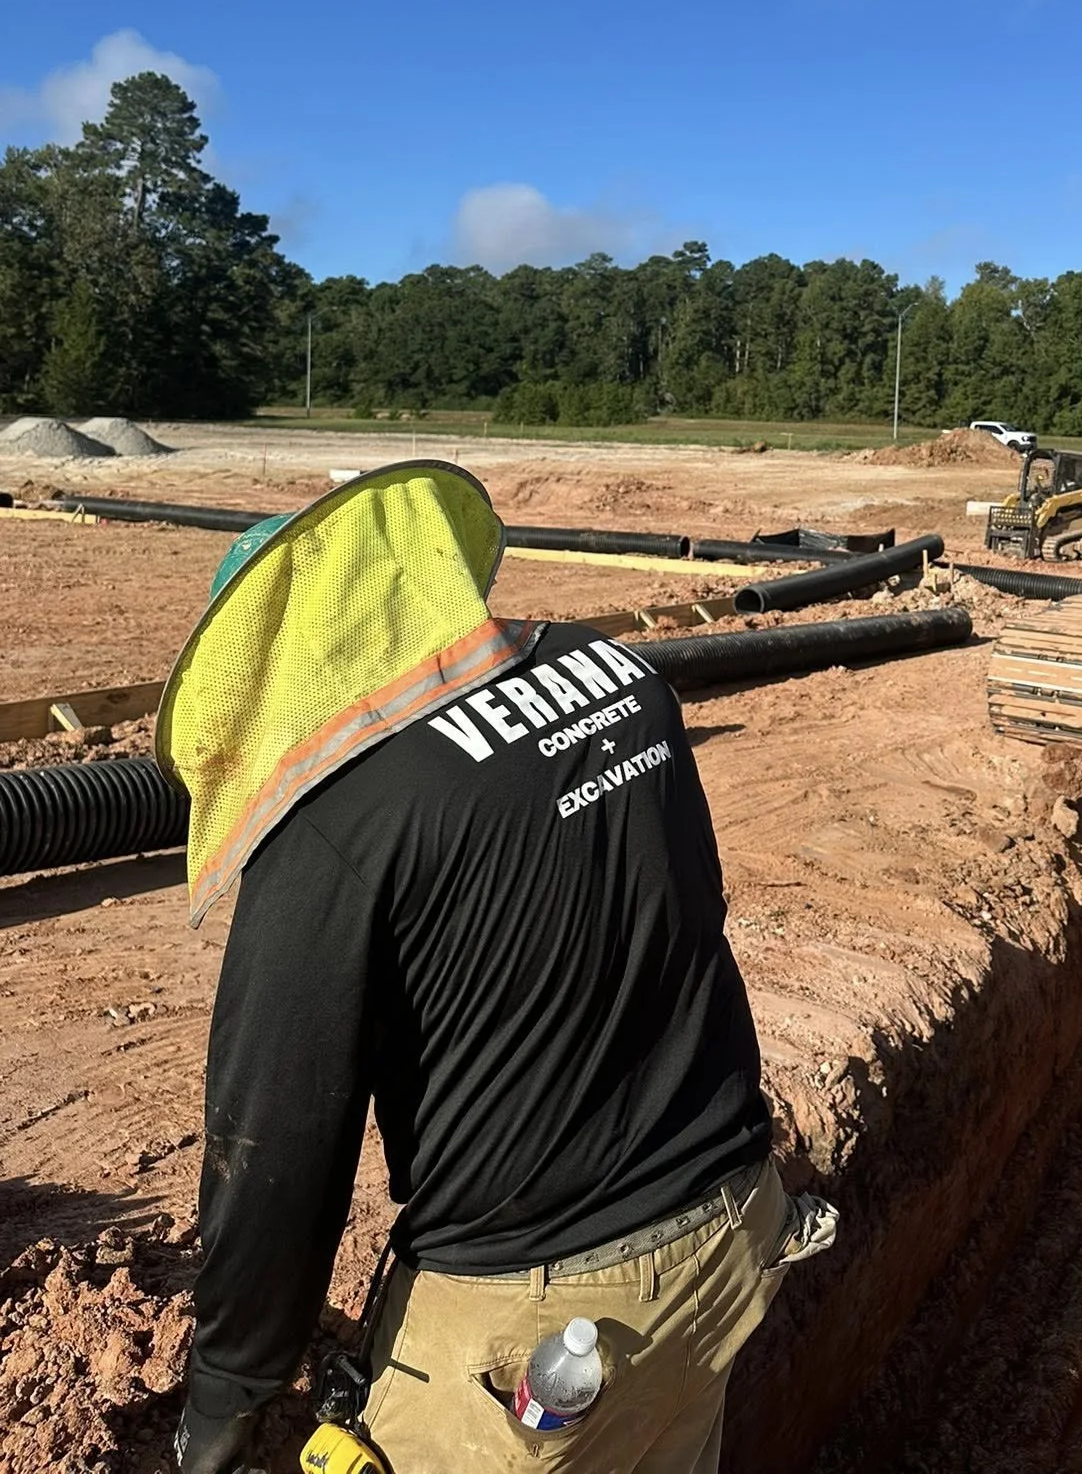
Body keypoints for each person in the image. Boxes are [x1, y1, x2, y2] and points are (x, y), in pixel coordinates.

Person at [163, 461, 834, 1474]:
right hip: (734, 1226)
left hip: (539, 1325)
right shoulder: (618, 675)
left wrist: (228, 1389)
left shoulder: (329, 821)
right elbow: (690, 905)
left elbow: (274, 1149)